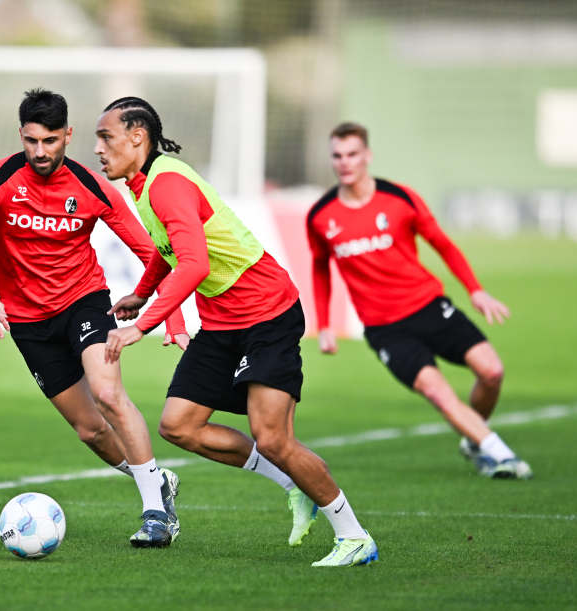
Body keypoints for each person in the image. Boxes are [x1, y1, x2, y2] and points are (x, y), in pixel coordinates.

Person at [99, 97, 378, 567]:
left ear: (136, 137)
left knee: (273, 439)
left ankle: (354, 537)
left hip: (267, 312)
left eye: (105, 137)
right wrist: (142, 295)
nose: (98, 149)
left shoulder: (166, 184)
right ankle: (294, 485)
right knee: (179, 426)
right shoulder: (142, 184)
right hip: (224, 321)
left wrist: (143, 326)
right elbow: (167, 252)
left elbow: (194, 264)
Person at [0, 89, 188, 548]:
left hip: (85, 304)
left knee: (109, 392)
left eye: (50, 141)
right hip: (29, 324)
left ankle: (155, 513)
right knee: (89, 428)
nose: (40, 152)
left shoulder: (91, 187)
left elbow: (158, 253)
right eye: (31, 141)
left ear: (68, 135)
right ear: (21, 136)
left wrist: (171, 320)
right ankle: (157, 481)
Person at [308, 122, 531, 480]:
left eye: (352, 154)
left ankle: (475, 438)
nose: (345, 162)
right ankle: (502, 456)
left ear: (368, 156)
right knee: (438, 392)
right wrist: (324, 327)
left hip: (429, 306)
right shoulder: (320, 215)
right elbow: (320, 269)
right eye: (337, 155)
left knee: (492, 371)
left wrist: (475, 289)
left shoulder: (400, 198)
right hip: (386, 328)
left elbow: (442, 243)